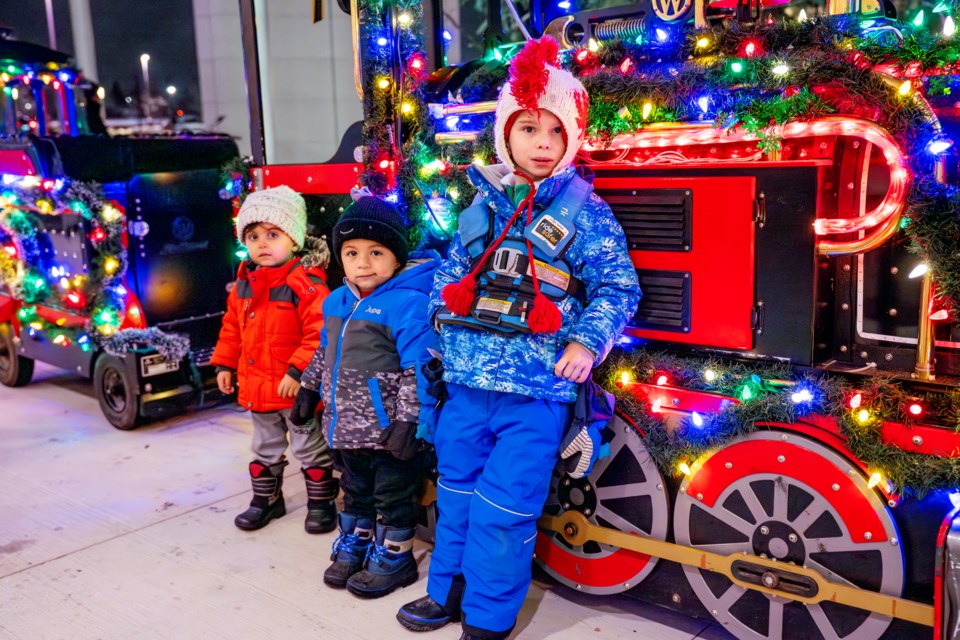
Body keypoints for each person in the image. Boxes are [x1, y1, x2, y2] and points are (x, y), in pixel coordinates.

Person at [397, 36, 641, 640]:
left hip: (533, 391)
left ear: (571, 141)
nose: (541, 143)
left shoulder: (585, 212)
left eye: (555, 133)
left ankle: (487, 617)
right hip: (465, 382)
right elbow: (451, 272)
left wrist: (586, 342)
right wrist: (440, 328)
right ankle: (445, 593)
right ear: (507, 133)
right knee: (454, 493)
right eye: (529, 128)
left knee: (505, 508)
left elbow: (617, 287)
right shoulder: (481, 202)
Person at [291, 194, 439, 599]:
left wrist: (411, 422)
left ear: (396, 258)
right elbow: (324, 350)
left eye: (376, 252)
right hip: (346, 428)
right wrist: (307, 388)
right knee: (354, 490)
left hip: (390, 432)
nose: (363, 262)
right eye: (352, 252)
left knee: (393, 496)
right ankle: (355, 543)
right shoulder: (336, 301)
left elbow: (419, 369)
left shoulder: (407, 304)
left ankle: (395, 557)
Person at [211, 185, 338, 535]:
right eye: (253, 236)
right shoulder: (244, 284)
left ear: (294, 240)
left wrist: (298, 371)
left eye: (272, 234)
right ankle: (266, 500)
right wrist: (224, 363)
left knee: (308, 445)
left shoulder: (306, 285)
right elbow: (231, 328)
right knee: (264, 447)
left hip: (295, 391)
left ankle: (321, 502)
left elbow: (320, 333)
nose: (262, 243)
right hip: (258, 387)